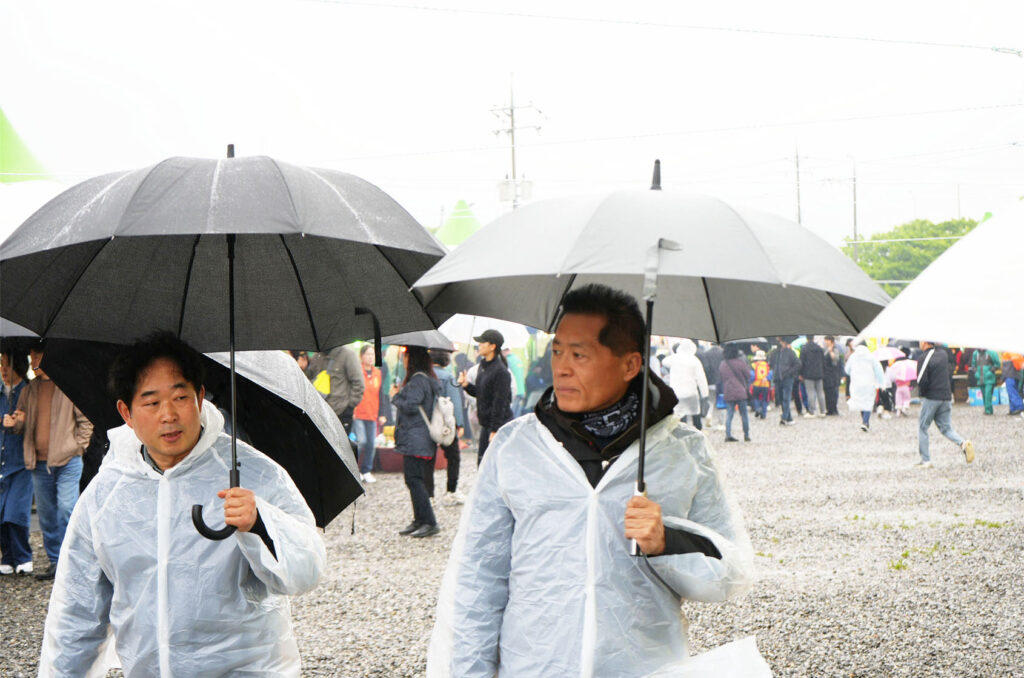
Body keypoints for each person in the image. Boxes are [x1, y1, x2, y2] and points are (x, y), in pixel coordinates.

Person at [427, 284, 752, 677]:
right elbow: (478, 579)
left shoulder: (682, 450)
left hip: (644, 668)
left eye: (579, 354)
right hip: (533, 667)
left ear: (630, 365)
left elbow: (729, 574)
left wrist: (667, 541)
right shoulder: (516, 447)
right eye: (557, 351)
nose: (561, 368)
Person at [39, 332, 325, 675]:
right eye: (151, 402)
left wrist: (261, 522)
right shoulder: (107, 493)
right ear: (126, 412)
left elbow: (307, 571)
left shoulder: (254, 474)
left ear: (200, 398)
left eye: (180, 397)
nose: (169, 415)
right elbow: (77, 611)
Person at [11, 343, 93, 581]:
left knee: (67, 509)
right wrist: (16, 422)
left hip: (68, 460)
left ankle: (73, 562)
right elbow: (20, 425)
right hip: (39, 463)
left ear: (46, 357)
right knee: (46, 516)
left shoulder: (68, 386)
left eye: (35, 357)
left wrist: (78, 446)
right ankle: (56, 562)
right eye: (30, 357)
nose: (32, 361)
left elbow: (86, 420)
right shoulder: (29, 390)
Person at [390, 345, 441, 538]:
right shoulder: (425, 378)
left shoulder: (418, 380)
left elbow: (411, 405)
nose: (403, 360)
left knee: (415, 480)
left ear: (412, 359)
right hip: (419, 437)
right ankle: (419, 519)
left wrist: (396, 396)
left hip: (416, 438)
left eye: (406, 357)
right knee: (413, 479)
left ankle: (429, 522)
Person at [915, 341, 975, 468]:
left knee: (923, 427)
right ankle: (963, 443)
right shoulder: (943, 354)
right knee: (946, 428)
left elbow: (921, 379)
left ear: (925, 342)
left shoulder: (924, 357)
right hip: (946, 396)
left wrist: (922, 394)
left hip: (932, 397)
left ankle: (926, 460)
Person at [1, 349, 33, 575]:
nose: (3, 369)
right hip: (2, 461)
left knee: (15, 512)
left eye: (7, 364)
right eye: (1, 364)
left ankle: (23, 556)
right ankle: (8, 556)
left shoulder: (28, 391)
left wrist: (20, 422)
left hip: (21, 461)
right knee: (1, 512)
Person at [457, 329, 512, 466]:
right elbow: (482, 393)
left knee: (492, 465)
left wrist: (494, 430)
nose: (479, 345)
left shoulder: (501, 371)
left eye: (483, 342)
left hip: (497, 426)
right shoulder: (483, 367)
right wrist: (466, 385)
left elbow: (500, 402)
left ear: (492, 346)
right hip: (485, 424)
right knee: (482, 464)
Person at [431, 348, 466, 504]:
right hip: (445, 424)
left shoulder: (424, 375)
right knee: (453, 457)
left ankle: (429, 494)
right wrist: (459, 424)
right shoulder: (448, 377)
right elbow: (455, 401)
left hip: (428, 423)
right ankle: (451, 490)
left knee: (428, 458)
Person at [306, 345, 364, 435]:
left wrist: (349, 407)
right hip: (320, 413)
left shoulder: (348, 355)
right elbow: (308, 380)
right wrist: (303, 367)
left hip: (341, 411)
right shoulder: (317, 357)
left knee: (341, 443)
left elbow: (358, 383)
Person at [352, 344, 387, 483]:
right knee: (361, 441)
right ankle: (354, 470)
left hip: (373, 413)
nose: (371, 357)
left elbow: (381, 394)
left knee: (372, 443)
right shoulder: (357, 371)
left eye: (373, 354)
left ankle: (366, 470)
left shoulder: (378, 373)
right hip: (358, 413)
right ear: (362, 356)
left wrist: (382, 413)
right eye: (368, 354)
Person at [662, 339, 709, 430]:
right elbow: (701, 379)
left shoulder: (675, 358)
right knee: (695, 415)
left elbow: (664, 361)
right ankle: (698, 430)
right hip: (691, 393)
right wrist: (705, 394)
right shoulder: (695, 360)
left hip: (677, 393)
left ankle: (683, 432)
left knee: (680, 416)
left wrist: (676, 355)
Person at [845, 344, 884, 432]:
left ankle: (864, 420)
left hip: (856, 384)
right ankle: (865, 421)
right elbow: (878, 371)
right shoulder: (871, 358)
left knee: (860, 402)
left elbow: (847, 370)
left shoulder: (853, 357)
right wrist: (881, 383)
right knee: (868, 402)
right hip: (869, 383)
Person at [719, 343, 752, 442]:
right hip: (740, 391)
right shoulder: (740, 363)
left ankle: (728, 434)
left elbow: (721, 377)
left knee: (729, 414)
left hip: (728, 391)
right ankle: (746, 435)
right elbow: (748, 375)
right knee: (744, 414)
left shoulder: (723, 364)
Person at [769, 337, 800, 426]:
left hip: (787, 378)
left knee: (786, 398)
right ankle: (789, 418)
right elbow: (770, 363)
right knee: (782, 399)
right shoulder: (774, 353)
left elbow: (798, 363)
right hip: (778, 378)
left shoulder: (789, 352)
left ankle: (784, 417)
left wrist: (789, 372)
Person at [698, 342, 725, 430]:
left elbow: (705, 368)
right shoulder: (723, 353)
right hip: (721, 381)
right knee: (720, 402)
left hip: (710, 382)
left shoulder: (706, 354)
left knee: (711, 401)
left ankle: (709, 414)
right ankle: (721, 423)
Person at [798, 336, 826, 418]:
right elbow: (823, 361)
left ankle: (811, 412)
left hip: (808, 374)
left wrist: (800, 374)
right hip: (819, 373)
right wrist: (823, 372)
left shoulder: (804, 349)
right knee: (820, 392)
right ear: (813, 338)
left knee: (810, 393)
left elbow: (801, 363)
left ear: (807, 338)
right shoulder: (819, 349)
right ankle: (823, 411)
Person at [970, 348, 1001, 416]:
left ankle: (988, 410)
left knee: (988, 394)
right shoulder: (975, 353)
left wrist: (990, 372)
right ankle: (988, 409)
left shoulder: (992, 352)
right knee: (984, 394)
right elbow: (973, 365)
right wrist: (976, 373)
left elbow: (997, 364)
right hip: (980, 377)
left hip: (989, 378)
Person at [822, 336, 845, 415]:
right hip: (826, 374)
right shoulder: (824, 349)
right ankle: (829, 409)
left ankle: (834, 409)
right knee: (827, 392)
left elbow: (835, 360)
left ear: (831, 341)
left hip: (834, 374)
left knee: (833, 392)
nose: (825, 342)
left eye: (827, 341)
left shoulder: (835, 349)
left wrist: (831, 351)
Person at [750, 349, 771, 419]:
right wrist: (767, 378)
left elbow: (752, 375)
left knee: (756, 398)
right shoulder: (767, 365)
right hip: (765, 385)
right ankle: (763, 414)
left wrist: (751, 382)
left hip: (756, 384)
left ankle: (757, 408)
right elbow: (771, 373)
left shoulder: (753, 365)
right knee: (764, 399)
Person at [1001, 352, 1024, 416]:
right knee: (1014, 391)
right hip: (1015, 374)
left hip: (1010, 374)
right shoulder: (1016, 352)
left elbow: (1018, 364)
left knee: (1012, 391)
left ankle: (1019, 407)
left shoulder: (1010, 352)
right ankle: (1013, 409)